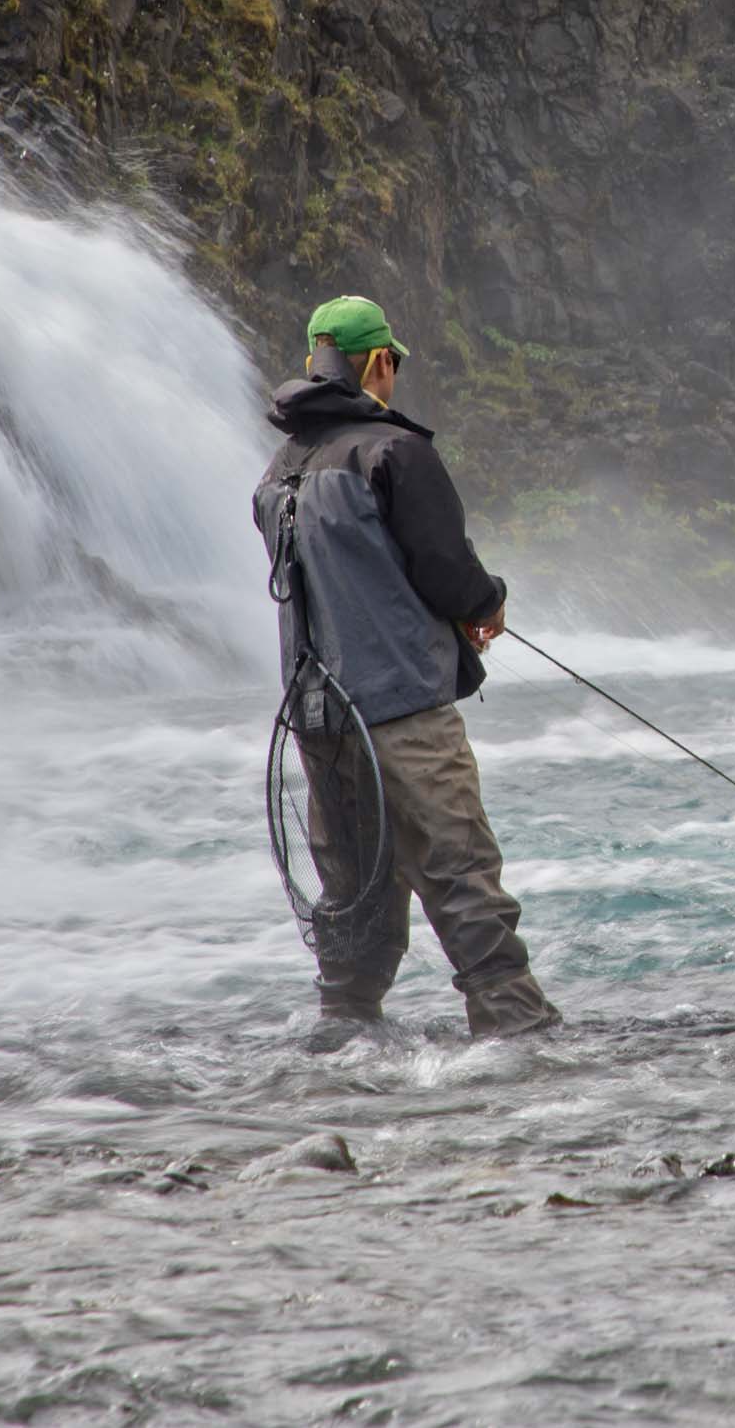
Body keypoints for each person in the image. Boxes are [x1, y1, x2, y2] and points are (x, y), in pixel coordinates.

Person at [254, 294, 559, 1039]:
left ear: (314, 362)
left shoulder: (278, 471)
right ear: (379, 363)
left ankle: (345, 1036)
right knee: (459, 873)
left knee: (353, 894)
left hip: (320, 722)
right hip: (404, 715)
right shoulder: (394, 451)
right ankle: (517, 1034)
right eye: (392, 363)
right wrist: (487, 604)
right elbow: (448, 573)